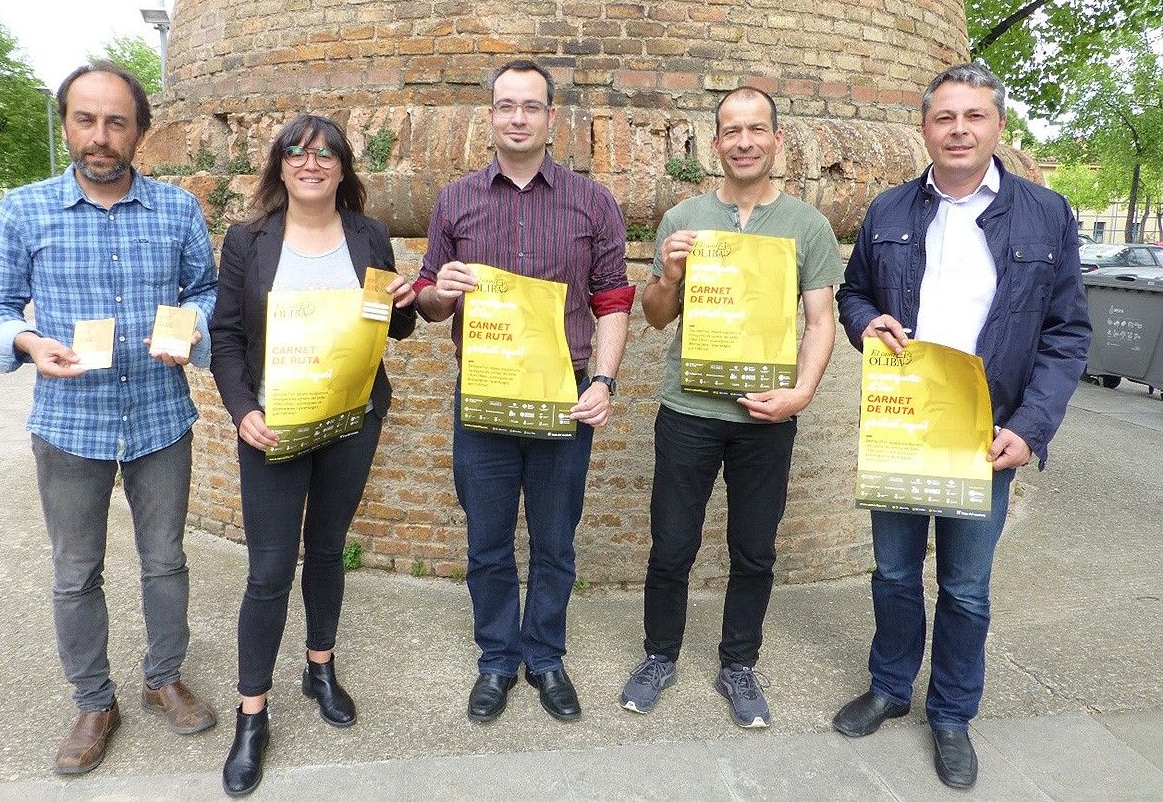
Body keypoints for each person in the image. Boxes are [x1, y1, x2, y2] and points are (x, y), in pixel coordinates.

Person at [833, 63, 1091, 788]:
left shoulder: (1045, 213)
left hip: (987, 434)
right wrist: (865, 322)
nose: (959, 130)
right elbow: (854, 293)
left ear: (998, 126)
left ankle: (950, 713)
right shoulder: (889, 209)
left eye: (974, 116)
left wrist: (1032, 427)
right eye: (945, 116)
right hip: (904, 427)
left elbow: (1067, 333)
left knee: (967, 587)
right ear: (924, 127)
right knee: (892, 571)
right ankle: (890, 685)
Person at [0, 61, 218, 775]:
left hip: (159, 417)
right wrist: (26, 342)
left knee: (165, 559)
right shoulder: (24, 210)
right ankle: (93, 700)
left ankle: (163, 677)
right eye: (86, 120)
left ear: (140, 131)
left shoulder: (177, 210)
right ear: (66, 124)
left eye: (117, 122)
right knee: (76, 570)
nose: (100, 136)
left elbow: (204, 290)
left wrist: (190, 327)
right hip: (69, 422)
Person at [414, 59, 633, 724]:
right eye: (506, 105)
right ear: (490, 116)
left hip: (565, 393)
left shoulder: (592, 201)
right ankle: (496, 659)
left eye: (531, 106)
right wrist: (438, 292)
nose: (517, 117)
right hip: (484, 391)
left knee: (554, 537)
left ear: (551, 118)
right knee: (486, 538)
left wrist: (605, 380)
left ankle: (544, 655)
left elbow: (613, 299)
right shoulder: (455, 200)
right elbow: (427, 299)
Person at [619, 86, 843, 728]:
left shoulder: (807, 225)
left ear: (776, 139)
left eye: (756, 129)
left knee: (754, 550)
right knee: (671, 545)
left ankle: (739, 664)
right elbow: (655, 316)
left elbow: (821, 320)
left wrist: (802, 393)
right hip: (688, 411)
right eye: (732, 131)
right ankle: (659, 655)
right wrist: (668, 276)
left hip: (766, 416)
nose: (744, 142)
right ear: (715, 143)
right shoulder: (684, 217)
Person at [210, 114, 416, 796]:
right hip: (274, 426)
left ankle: (319, 666)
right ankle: (252, 712)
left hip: (351, 419)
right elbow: (227, 335)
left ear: (342, 167)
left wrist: (404, 301)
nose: (311, 163)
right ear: (280, 164)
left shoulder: (369, 235)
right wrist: (244, 410)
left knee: (327, 549)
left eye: (325, 154)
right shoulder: (249, 240)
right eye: (296, 152)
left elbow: (392, 327)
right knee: (269, 570)